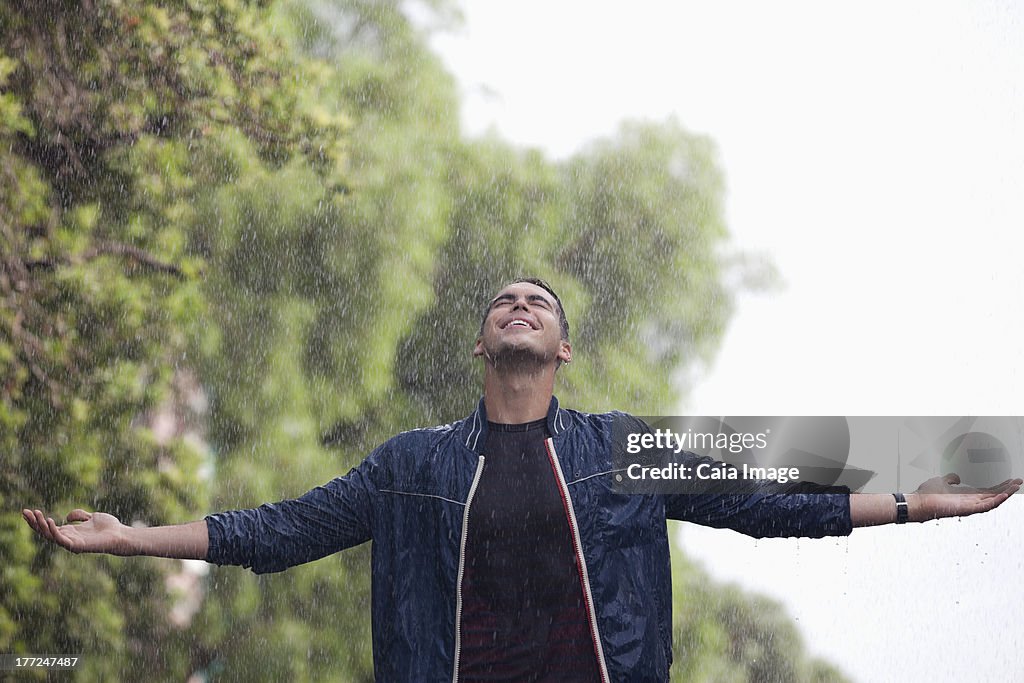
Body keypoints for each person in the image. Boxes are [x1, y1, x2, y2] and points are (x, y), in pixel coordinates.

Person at [23, 278, 1021, 682]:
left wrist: (917, 499)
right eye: (504, 299)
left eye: (537, 301)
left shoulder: (621, 447)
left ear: (564, 347)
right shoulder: (412, 464)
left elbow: (765, 501)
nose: (518, 301)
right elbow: (277, 530)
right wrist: (126, 535)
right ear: (479, 341)